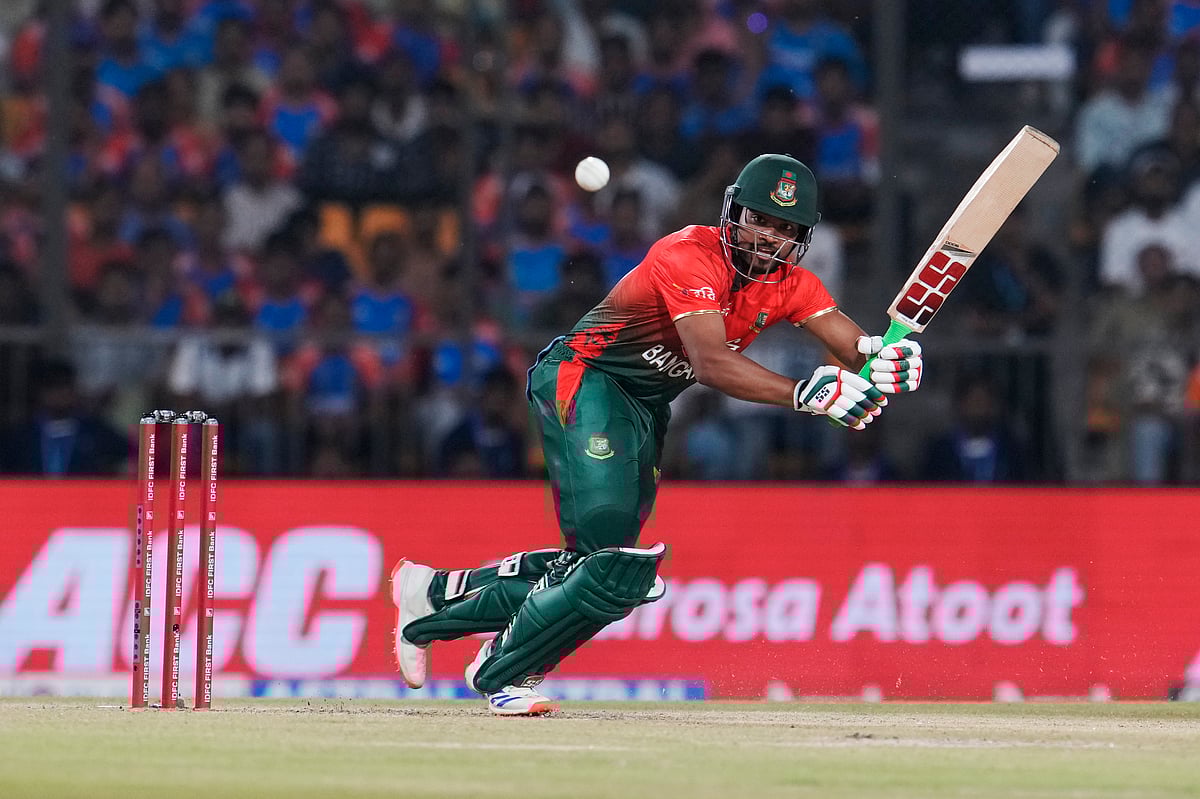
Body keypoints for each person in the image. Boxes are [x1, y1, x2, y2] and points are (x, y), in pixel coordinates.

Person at [389, 154, 925, 715]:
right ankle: (504, 669)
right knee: (610, 560)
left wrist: (883, 360)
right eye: (759, 219)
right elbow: (711, 363)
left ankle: (433, 597)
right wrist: (804, 393)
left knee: (603, 569)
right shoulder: (687, 256)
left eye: (786, 229)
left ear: (803, 238)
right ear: (731, 213)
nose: (769, 237)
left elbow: (851, 344)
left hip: (644, 405)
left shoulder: (793, 284)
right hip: (586, 377)